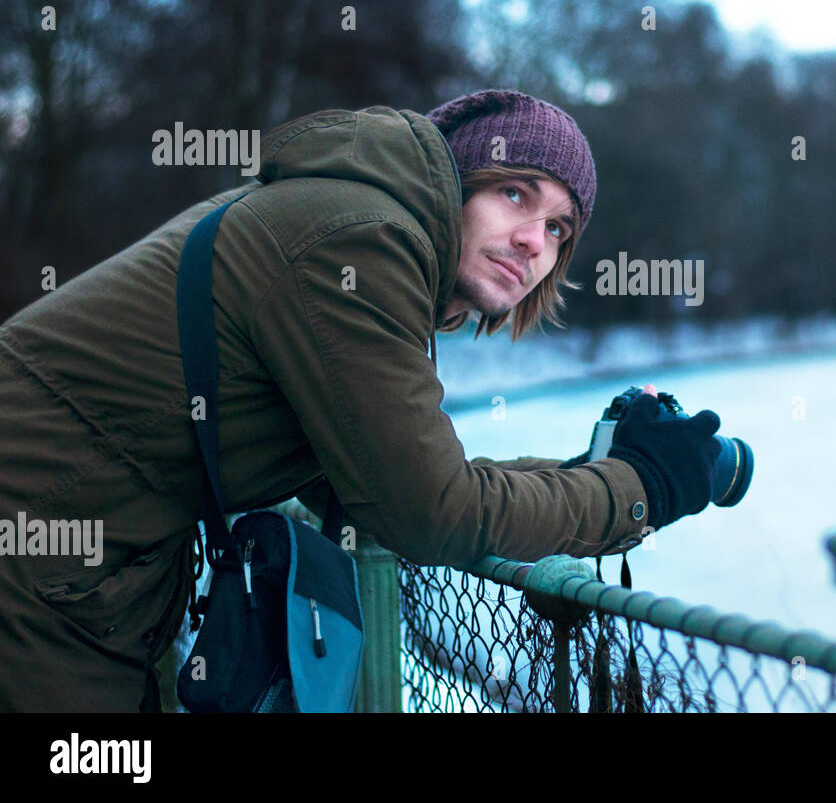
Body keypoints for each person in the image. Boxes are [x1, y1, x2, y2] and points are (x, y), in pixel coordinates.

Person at [0, 89, 720, 712]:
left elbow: (397, 470)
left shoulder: (357, 227)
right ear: (457, 181)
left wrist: (587, 472)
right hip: (39, 524)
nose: (534, 240)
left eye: (559, 227)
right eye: (514, 193)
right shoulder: (361, 244)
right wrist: (639, 488)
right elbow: (430, 510)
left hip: (79, 544)